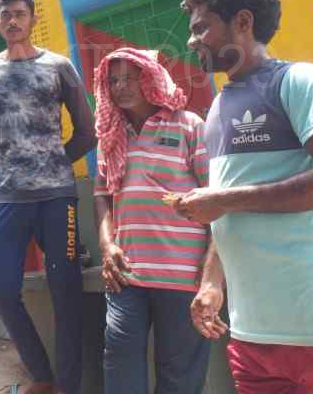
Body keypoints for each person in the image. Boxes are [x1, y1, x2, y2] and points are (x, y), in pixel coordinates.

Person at [175, 0, 313, 393]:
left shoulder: (299, 81)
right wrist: (212, 282)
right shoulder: (218, 107)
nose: (192, 41)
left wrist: (225, 198)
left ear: (243, 22)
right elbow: (223, 208)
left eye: (201, 27)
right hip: (251, 334)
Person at [0, 0, 97, 394]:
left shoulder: (58, 66)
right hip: (6, 197)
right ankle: (41, 376)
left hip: (57, 196)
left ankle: (69, 386)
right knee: (4, 290)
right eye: (5, 14)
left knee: (67, 292)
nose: (12, 21)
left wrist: (56, 160)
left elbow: (87, 130)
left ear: (32, 19)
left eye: (19, 13)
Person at [93, 48, 211, 393]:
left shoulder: (190, 125)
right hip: (126, 274)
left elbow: (215, 198)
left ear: (151, 77)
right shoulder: (109, 135)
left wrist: (210, 268)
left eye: (130, 77)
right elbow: (101, 194)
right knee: (119, 360)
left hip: (183, 276)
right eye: (113, 80)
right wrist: (106, 243)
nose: (121, 87)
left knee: (179, 372)